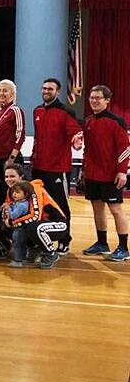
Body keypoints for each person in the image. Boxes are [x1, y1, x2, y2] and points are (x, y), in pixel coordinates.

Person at [75, 85, 130, 261]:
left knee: (116, 210)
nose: (94, 101)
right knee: (97, 209)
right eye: (92, 98)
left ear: (107, 100)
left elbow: (125, 149)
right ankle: (102, 243)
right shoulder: (89, 121)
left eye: (98, 98)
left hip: (111, 175)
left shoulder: (116, 121)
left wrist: (122, 172)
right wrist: (84, 170)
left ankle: (123, 247)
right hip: (92, 175)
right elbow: (88, 150)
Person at [30, 78, 81, 254]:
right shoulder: (37, 110)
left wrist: (76, 141)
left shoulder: (66, 112)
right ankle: (42, 240)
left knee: (60, 206)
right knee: (40, 205)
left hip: (58, 169)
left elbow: (75, 133)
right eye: (44, 88)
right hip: (38, 167)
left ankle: (65, 240)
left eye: (50, 89)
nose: (46, 91)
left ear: (57, 92)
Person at [2, 165, 67, 268]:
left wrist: (12, 222)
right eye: (6, 177)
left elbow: (35, 216)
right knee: (6, 228)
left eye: (12, 176)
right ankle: (33, 249)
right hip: (35, 223)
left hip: (57, 223)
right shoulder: (11, 191)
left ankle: (51, 254)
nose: (9, 179)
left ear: (21, 177)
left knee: (33, 227)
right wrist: (8, 220)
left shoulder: (34, 189)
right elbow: (7, 210)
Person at [0, 79, 25, 174]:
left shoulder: (15, 110)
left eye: (5, 90)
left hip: (10, 159)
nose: (0, 93)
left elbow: (20, 136)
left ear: (12, 93)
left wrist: (12, 158)